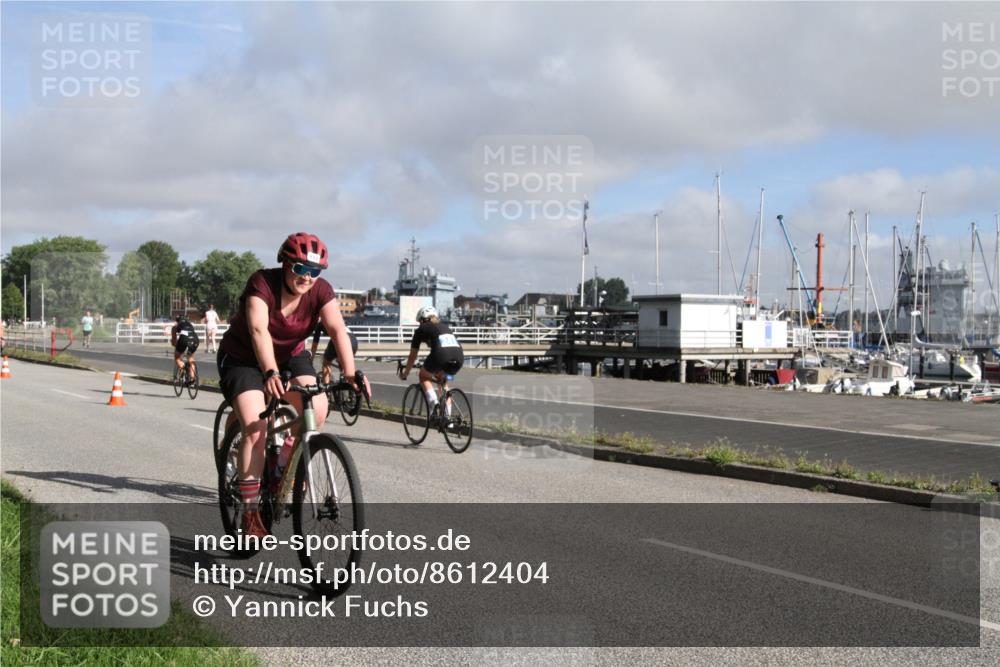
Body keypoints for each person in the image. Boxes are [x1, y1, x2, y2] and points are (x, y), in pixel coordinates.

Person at [217, 232, 370, 538]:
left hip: (291, 357)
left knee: (319, 407)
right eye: (300, 269)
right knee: (256, 428)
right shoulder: (262, 283)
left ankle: (284, 463)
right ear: (285, 263)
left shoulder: (321, 291)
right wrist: (270, 372)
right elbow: (258, 330)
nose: (307, 278)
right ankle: (249, 511)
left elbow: (338, 329)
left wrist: (351, 374)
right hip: (244, 358)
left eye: (314, 272)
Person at [398, 306, 463, 421]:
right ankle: (448, 420)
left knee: (423, 376)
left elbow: (412, 356)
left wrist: (405, 373)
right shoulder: (445, 327)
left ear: (423, 320)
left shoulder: (421, 329)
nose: (419, 324)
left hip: (440, 355)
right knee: (442, 381)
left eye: (419, 322)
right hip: (459, 357)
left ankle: (434, 404)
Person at [171, 315, 199, 382]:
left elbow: (174, 342)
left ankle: (183, 368)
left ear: (178, 321)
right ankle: (192, 378)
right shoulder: (190, 325)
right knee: (190, 358)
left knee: (177, 357)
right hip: (195, 339)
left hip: (184, 339)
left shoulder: (175, 326)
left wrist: (176, 346)